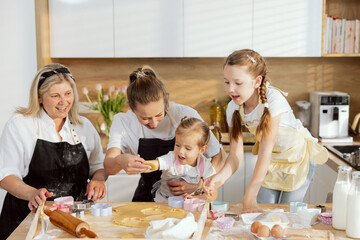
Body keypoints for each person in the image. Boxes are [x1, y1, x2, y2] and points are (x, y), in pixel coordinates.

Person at [204, 49, 328, 212]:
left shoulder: (273, 100)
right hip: (272, 161)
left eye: (238, 83)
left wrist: (250, 194)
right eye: (227, 82)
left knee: (287, 212)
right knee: (263, 210)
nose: (230, 89)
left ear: (257, 81)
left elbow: (265, 151)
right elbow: (235, 155)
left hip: (298, 158)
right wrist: (220, 178)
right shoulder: (233, 108)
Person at [0, 63, 107, 239]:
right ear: (39, 97)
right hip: (26, 220)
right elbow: (5, 175)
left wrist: (99, 179)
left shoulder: (84, 127)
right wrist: (31, 193)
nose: (63, 102)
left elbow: (98, 167)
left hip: (72, 221)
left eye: (68, 94)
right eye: (55, 96)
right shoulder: (20, 125)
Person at [104, 65, 225, 202]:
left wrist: (199, 184)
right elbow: (108, 167)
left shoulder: (185, 114)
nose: (154, 123)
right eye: (145, 118)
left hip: (188, 197)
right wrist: (121, 160)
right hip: (149, 196)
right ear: (132, 109)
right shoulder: (123, 122)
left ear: (166, 101)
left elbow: (218, 155)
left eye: (159, 115)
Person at [143, 117, 217, 202]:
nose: (180, 151)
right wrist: (143, 164)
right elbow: (155, 164)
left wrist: (195, 198)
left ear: (202, 150)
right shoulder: (171, 158)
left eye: (187, 148)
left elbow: (213, 194)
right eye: (177, 145)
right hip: (164, 203)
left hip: (189, 206)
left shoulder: (205, 165)